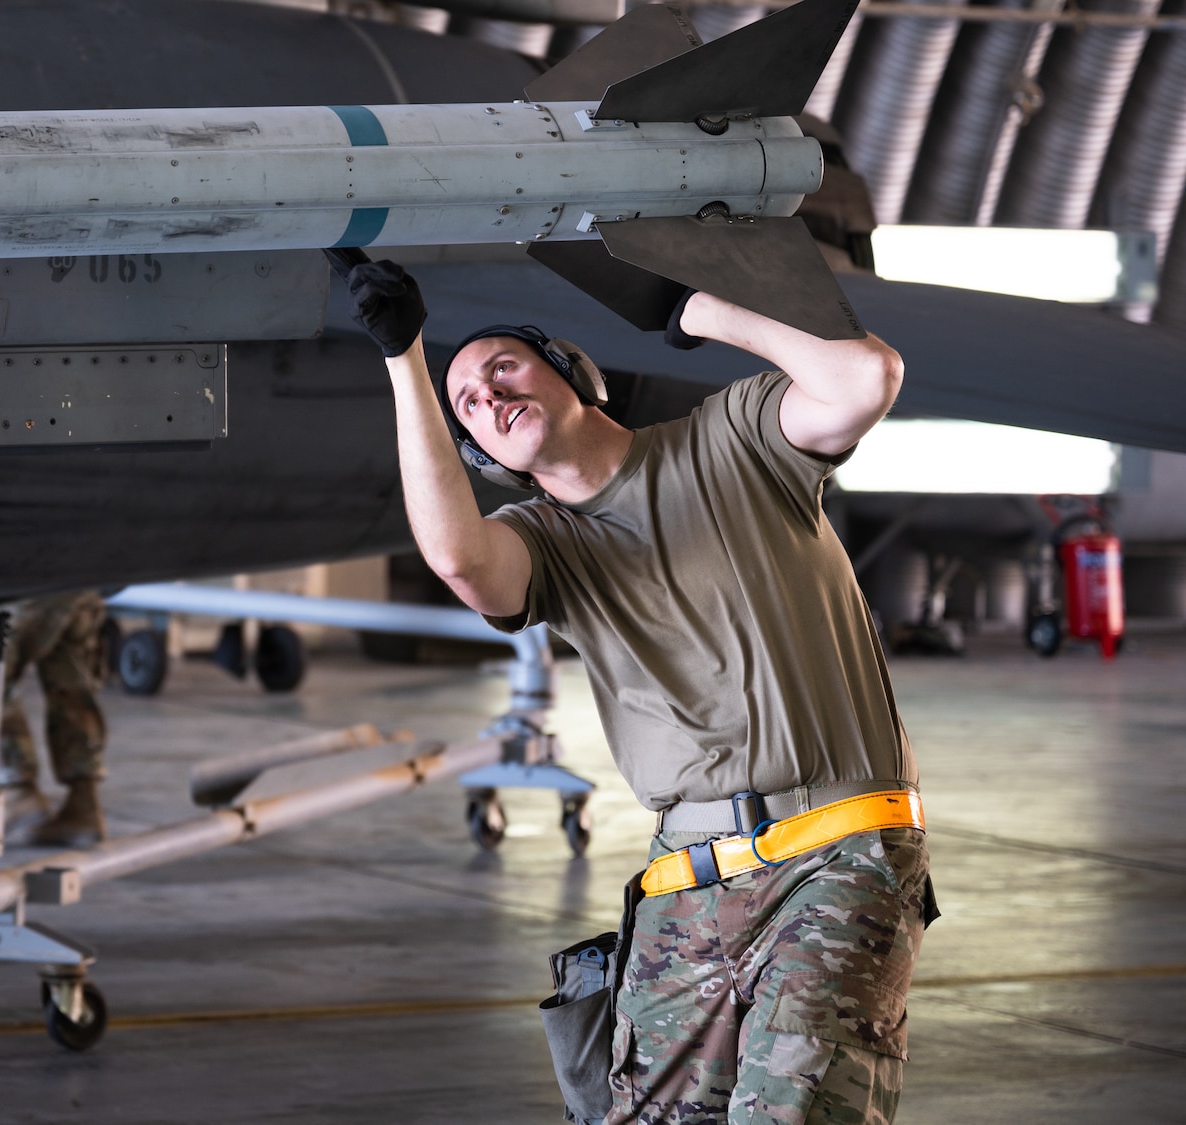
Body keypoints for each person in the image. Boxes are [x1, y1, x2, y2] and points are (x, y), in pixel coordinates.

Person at [334, 253, 930, 1125]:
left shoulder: (734, 441)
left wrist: (695, 310)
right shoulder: (546, 544)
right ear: (483, 455)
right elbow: (460, 558)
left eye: (503, 366)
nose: (488, 394)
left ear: (574, 372)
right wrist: (404, 359)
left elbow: (865, 374)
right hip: (683, 884)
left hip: (838, 859)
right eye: (469, 403)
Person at [0, 590, 110, 848]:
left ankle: (16, 789)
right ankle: (84, 802)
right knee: (71, 682)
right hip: (83, 571)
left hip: (21, 573)